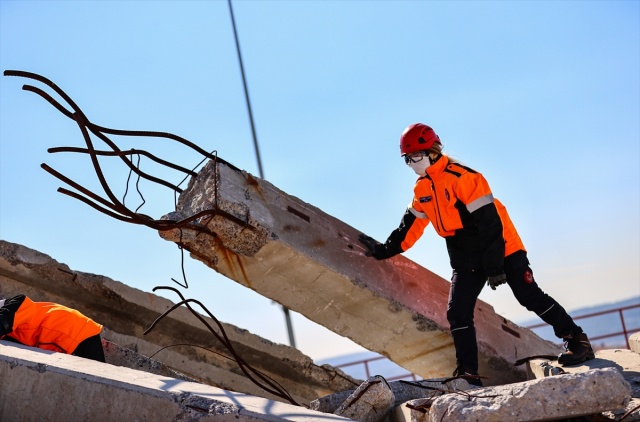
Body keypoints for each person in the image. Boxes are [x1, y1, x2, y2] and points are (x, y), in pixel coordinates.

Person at [359, 123, 594, 386]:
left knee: (528, 295)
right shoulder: (422, 189)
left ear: (432, 152)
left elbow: (491, 225)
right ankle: (468, 373)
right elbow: (409, 227)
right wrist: (383, 250)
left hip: (502, 246)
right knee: (458, 312)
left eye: (415, 157)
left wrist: (495, 267)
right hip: (465, 256)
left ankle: (577, 340)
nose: (412, 164)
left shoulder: (464, 178)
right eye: (407, 159)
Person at [0, 293, 105, 362]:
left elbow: (21, 301)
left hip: (77, 330)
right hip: (65, 340)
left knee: (100, 384)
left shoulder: (11, 305)